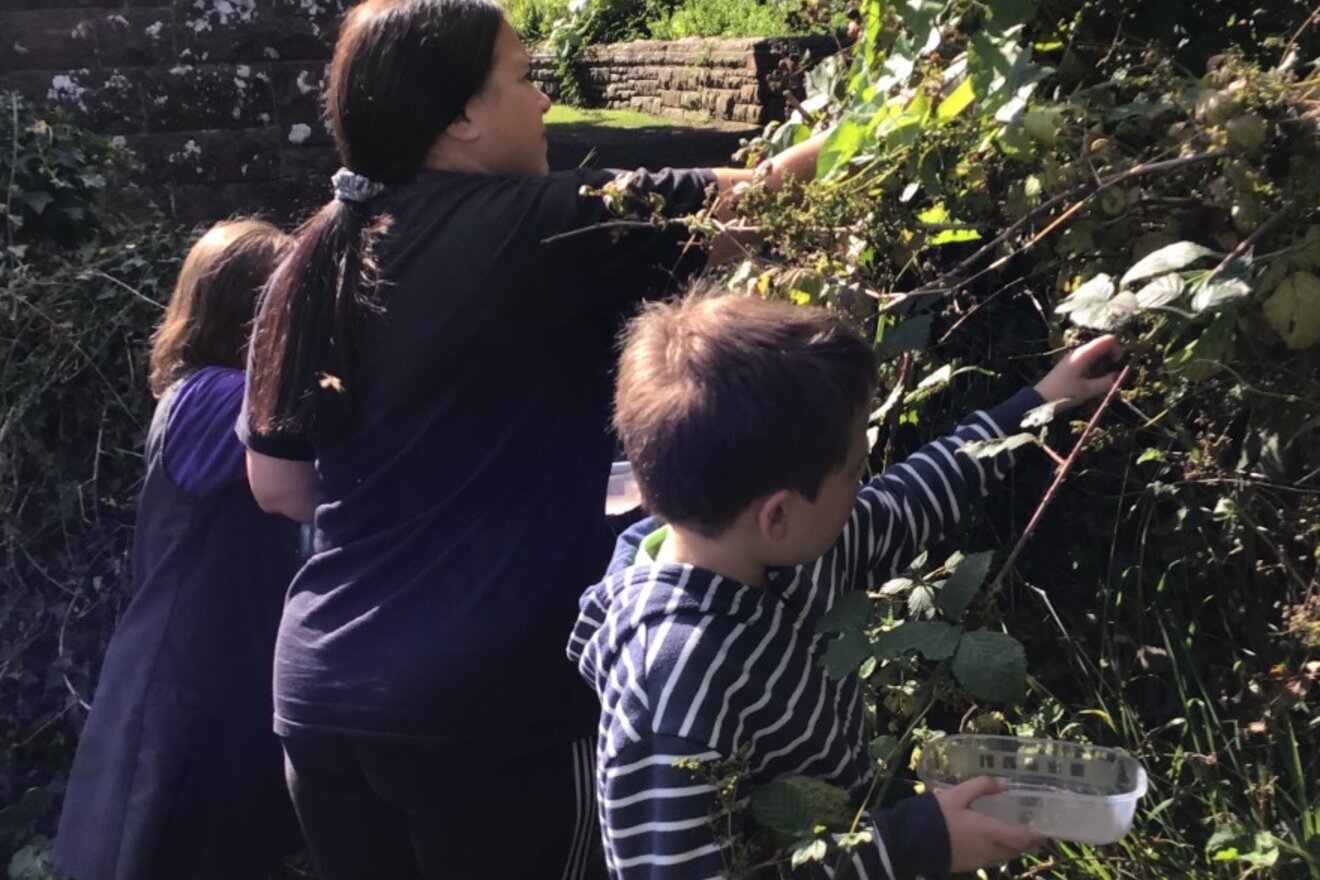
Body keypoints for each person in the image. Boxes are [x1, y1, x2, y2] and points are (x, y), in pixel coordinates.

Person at [238, 1, 829, 877]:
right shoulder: (544, 222)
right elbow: (767, 200)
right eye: (524, 77)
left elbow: (276, 485)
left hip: (320, 699)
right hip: (486, 702)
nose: (546, 102)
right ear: (462, 117)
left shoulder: (313, 252)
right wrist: (913, 109)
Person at [568, 292, 1124, 879]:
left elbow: (908, 502)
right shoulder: (670, 688)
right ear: (777, 515)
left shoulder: (788, 550)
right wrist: (908, 847)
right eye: (856, 468)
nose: (864, 483)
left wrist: (1037, 402)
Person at [52, 220, 302, 880]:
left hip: (204, 678)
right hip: (186, 693)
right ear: (254, 311)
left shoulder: (197, 393)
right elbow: (311, 464)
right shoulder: (217, 398)